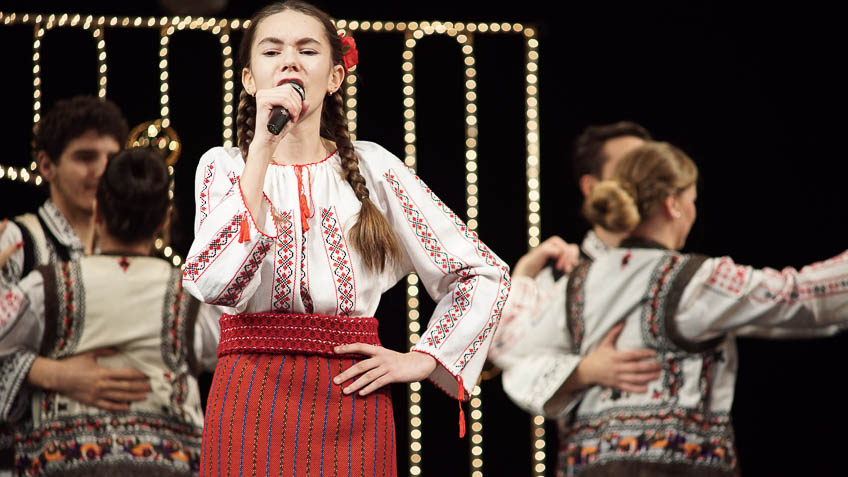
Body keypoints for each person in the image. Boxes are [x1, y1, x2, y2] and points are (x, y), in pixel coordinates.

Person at [181, 2, 509, 475]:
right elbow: (216, 284)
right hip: (249, 393)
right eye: (271, 51)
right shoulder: (223, 166)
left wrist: (424, 357)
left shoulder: (374, 168)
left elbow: (482, 271)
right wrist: (262, 148)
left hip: (350, 392)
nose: (289, 62)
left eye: (307, 50)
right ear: (250, 79)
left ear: (335, 76)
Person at [491, 141, 848, 476]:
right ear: (672, 204)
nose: (693, 211)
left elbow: (507, 348)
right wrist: (583, 371)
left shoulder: (577, 282)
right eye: (692, 199)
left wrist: (524, 278)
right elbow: (797, 297)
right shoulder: (694, 280)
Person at [0, 148, 220, 476]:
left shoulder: (47, 287)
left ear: (98, 212)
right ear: (165, 220)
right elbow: (230, 353)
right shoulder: (192, 296)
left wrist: (48, 373)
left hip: (65, 466)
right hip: (167, 466)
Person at [0, 97, 152, 472]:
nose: (100, 171)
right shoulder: (16, 242)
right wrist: (56, 375)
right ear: (47, 165)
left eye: (110, 158)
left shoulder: (128, 248)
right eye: (85, 157)